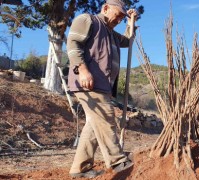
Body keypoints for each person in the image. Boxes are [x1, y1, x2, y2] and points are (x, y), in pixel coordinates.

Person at [66, 0, 137, 178]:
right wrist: (82, 70)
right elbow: (73, 44)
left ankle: (79, 168)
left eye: (122, 17)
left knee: (93, 126)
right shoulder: (87, 20)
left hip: (103, 85)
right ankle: (117, 161)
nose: (119, 20)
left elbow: (128, 41)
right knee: (106, 117)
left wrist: (131, 22)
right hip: (88, 82)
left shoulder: (112, 34)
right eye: (118, 15)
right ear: (105, 8)